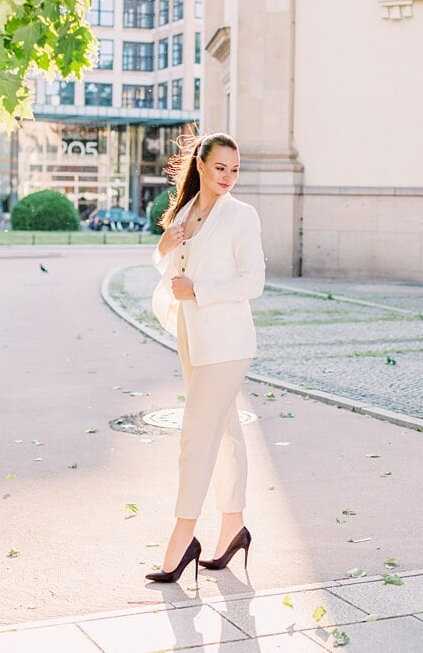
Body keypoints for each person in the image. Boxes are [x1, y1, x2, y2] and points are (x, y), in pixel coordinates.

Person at [146, 133, 265, 583]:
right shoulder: (184, 211)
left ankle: (182, 540)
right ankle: (234, 527)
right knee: (226, 432)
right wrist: (165, 243)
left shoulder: (241, 217)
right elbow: (168, 266)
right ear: (201, 164)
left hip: (227, 344)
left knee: (195, 437)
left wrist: (200, 291)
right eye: (220, 168)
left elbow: (253, 281)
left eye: (235, 169)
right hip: (191, 337)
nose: (228, 177)